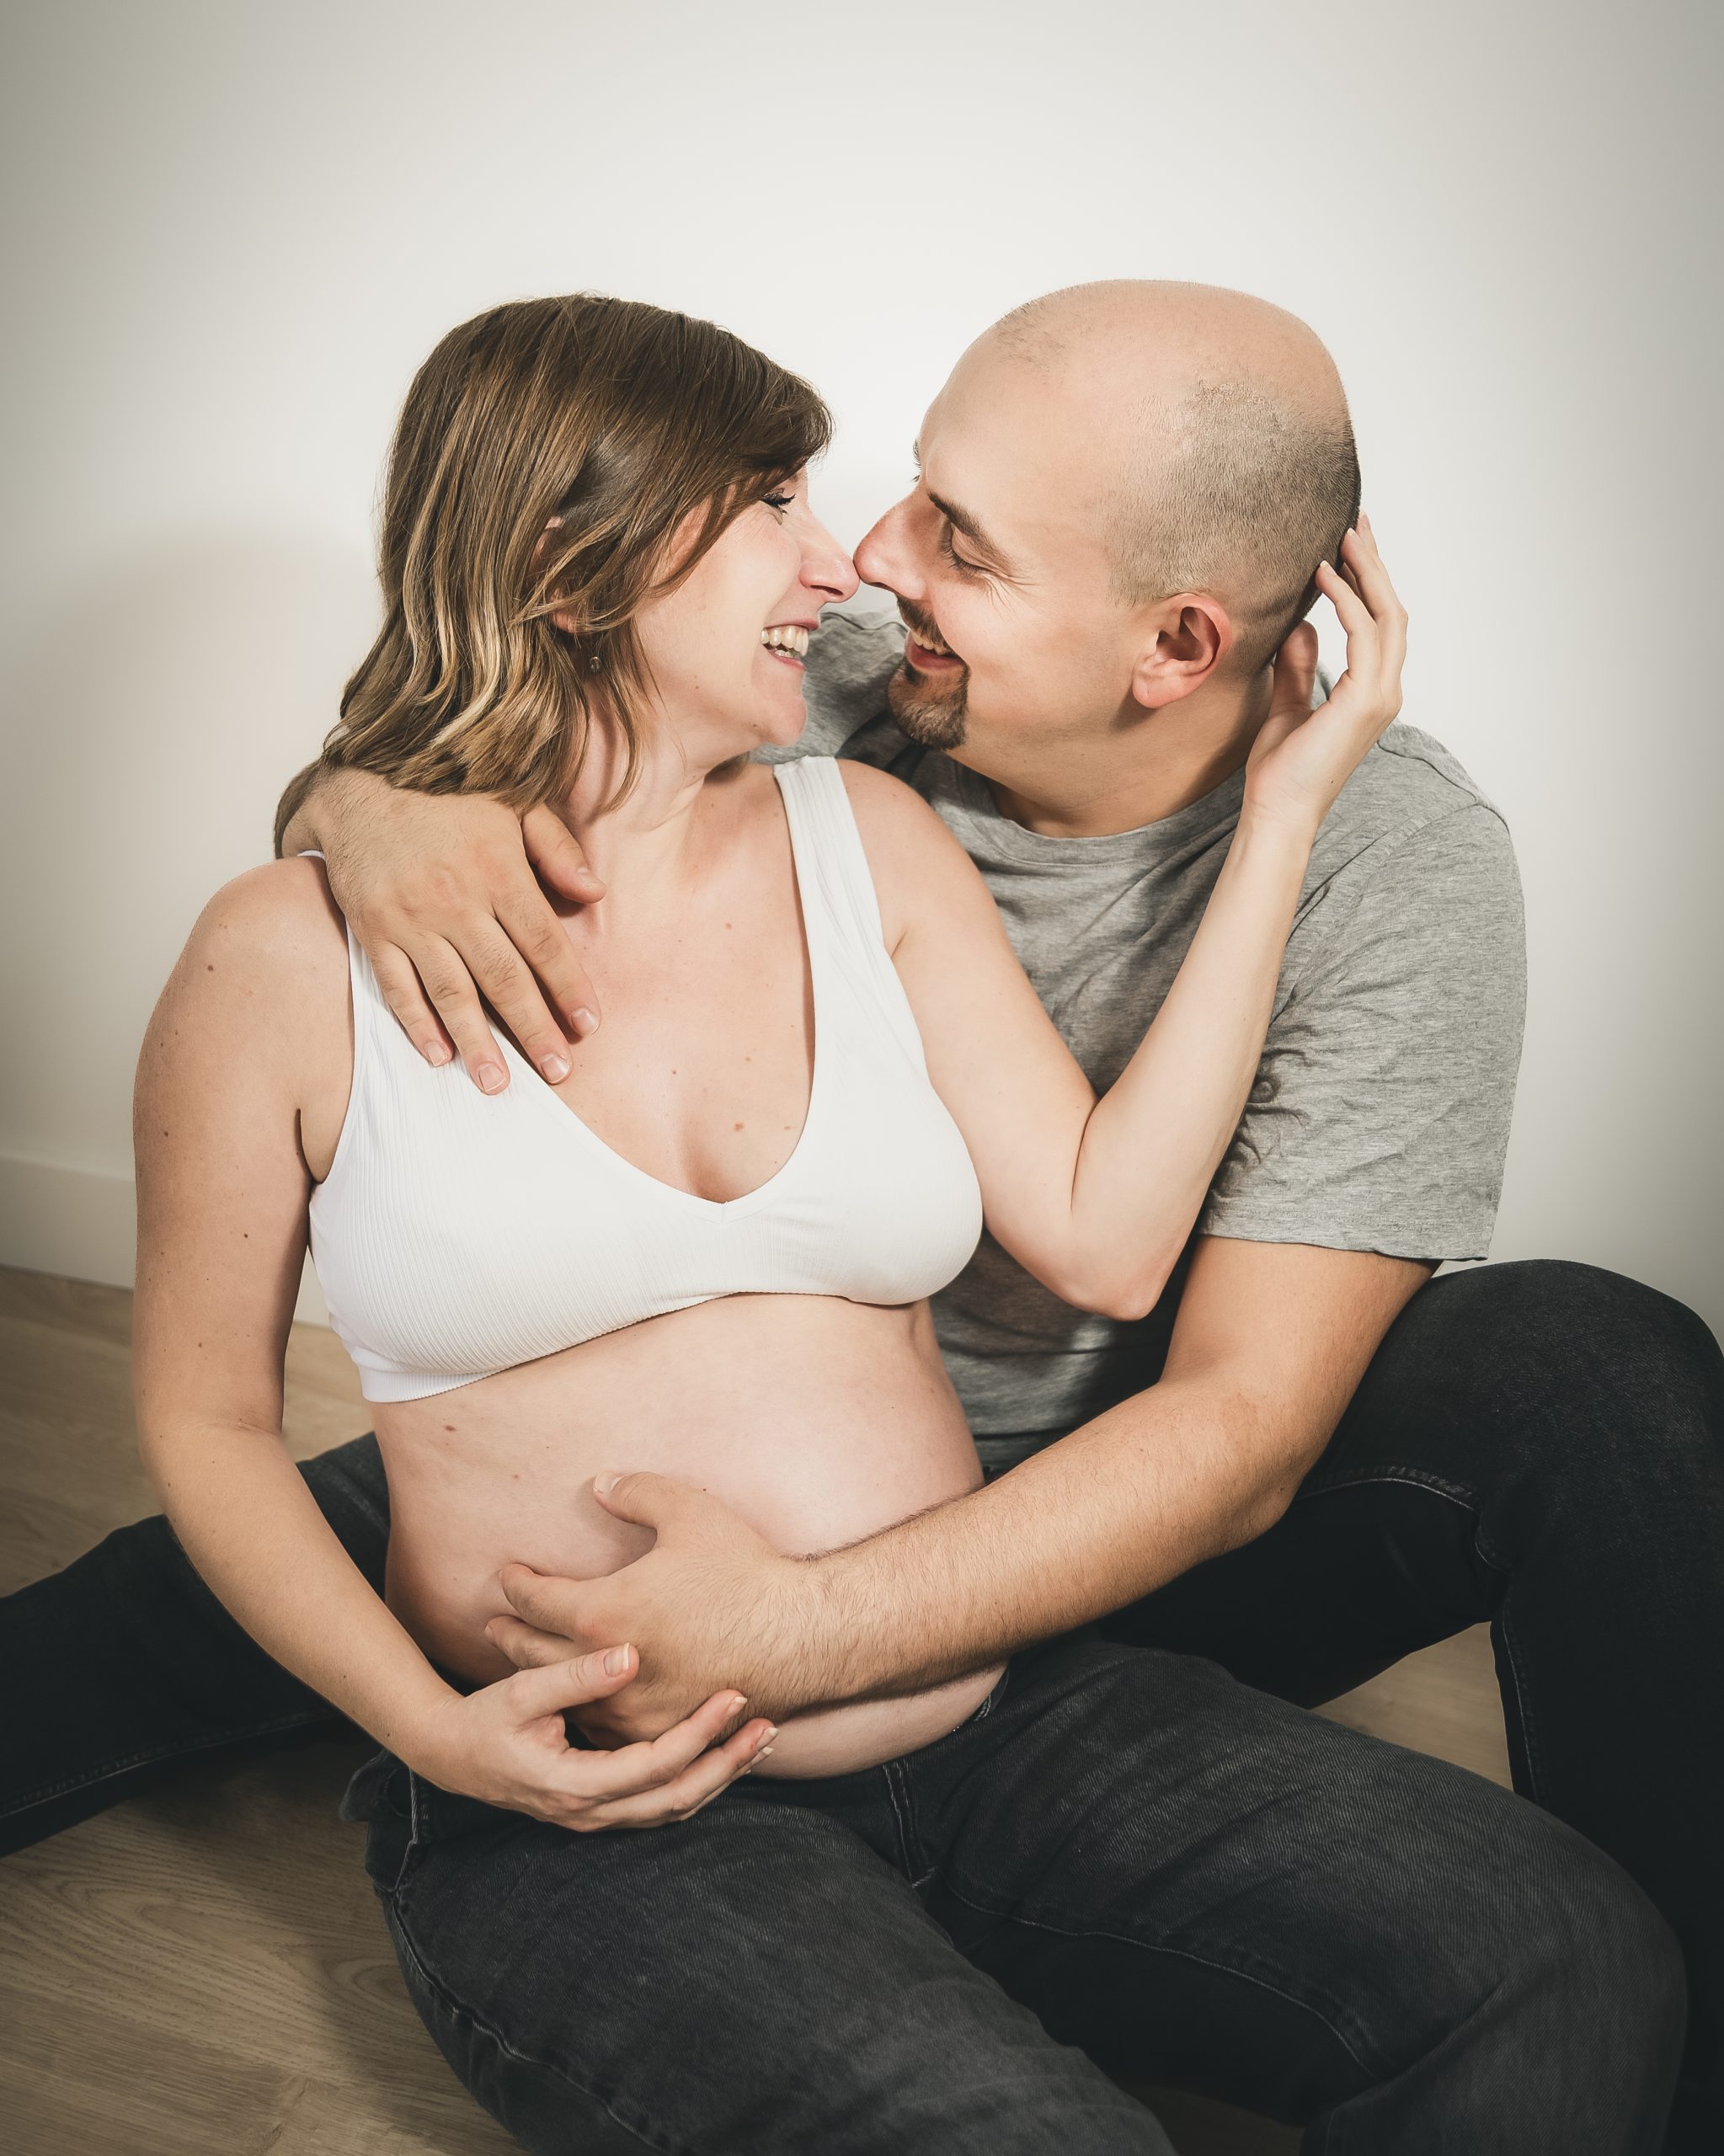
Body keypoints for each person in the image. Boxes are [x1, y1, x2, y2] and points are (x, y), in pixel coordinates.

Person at [0, 286, 1701, 2150]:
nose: (865, 565)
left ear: (1176, 643)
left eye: (955, 538)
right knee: (140, 1631)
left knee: (1576, 1901)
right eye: (807, 507)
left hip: (1030, 1571)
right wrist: (366, 809)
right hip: (586, 1641)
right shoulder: (847, 684)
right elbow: (498, 677)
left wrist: (799, 1621)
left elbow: (1186, 1357)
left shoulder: (1299, 857)